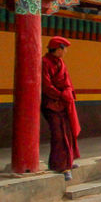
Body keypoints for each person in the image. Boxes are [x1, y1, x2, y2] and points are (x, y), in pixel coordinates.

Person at [41, 36, 80, 181]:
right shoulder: (44, 63)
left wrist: (68, 92)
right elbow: (46, 85)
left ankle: (68, 161)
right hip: (52, 104)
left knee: (67, 132)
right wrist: (60, 95)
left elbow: (67, 81)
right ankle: (61, 166)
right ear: (57, 49)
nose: (65, 52)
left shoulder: (61, 63)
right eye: (64, 49)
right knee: (58, 135)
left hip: (63, 103)